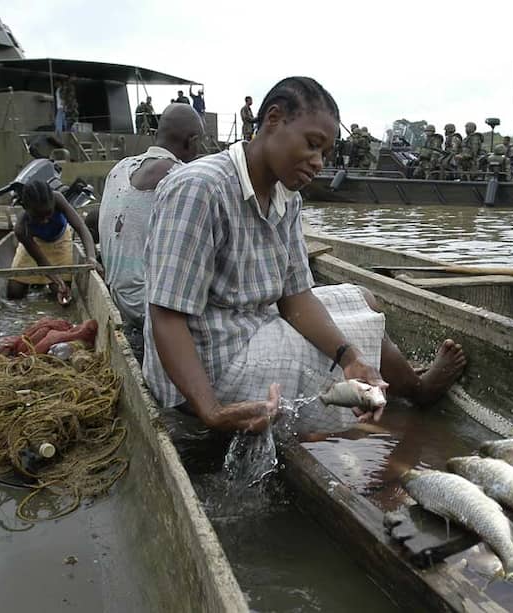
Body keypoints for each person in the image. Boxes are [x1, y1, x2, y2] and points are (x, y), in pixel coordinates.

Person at [142, 76, 466, 443]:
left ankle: (395, 378)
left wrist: (349, 356)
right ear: (274, 120)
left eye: (325, 154)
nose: (318, 164)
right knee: (364, 332)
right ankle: (418, 390)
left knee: (364, 299)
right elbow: (166, 317)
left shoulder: (287, 198)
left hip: (253, 325)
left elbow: (295, 297)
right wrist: (212, 411)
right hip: (210, 367)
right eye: (312, 146)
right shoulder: (200, 188)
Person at [99, 104, 204, 363]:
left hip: (118, 295)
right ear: (192, 141)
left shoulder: (120, 167)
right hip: (145, 308)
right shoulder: (180, 177)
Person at [7, 181, 101, 304]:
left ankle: (51, 285)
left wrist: (91, 258)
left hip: (60, 242)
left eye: (48, 214)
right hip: (36, 245)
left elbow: (81, 228)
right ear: (26, 209)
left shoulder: (57, 198)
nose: (45, 220)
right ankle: (40, 284)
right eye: (38, 217)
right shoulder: (21, 229)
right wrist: (58, 280)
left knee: (59, 292)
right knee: (14, 293)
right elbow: (41, 260)